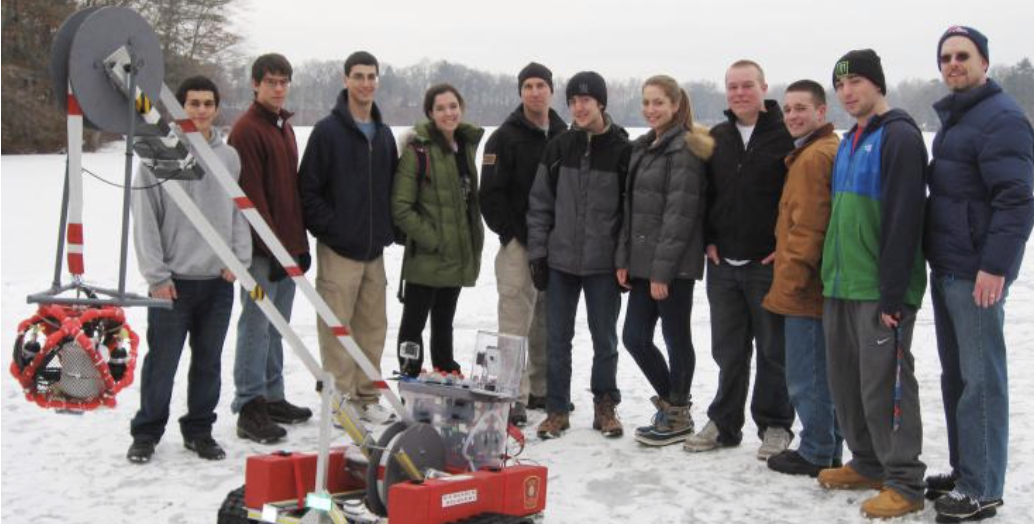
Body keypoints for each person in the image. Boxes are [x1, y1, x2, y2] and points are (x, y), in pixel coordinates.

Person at [924, 26, 1034, 523]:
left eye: (963, 56)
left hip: (976, 274)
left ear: (985, 62)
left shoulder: (1002, 119)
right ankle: (967, 469)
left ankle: (983, 487)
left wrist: (996, 268)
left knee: (982, 381)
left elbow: (1016, 199)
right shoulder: (959, 117)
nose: (953, 64)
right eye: (946, 57)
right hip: (948, 266)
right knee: (958, 379)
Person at [815, 49, 929, 519]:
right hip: (840, 284)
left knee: (886, 386)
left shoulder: (899, 137)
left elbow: (905, 219)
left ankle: (904, 480)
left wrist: (893, 292)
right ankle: (866, 462)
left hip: (880, 290)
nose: (847, 92)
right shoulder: (850, 140)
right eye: (840, 85)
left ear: (878, 84)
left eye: (856, 81)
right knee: (847, 383)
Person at [127, 76, 250, 463]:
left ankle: (199, 431)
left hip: (216, 283)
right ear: (178, 108)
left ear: (216, 108)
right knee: (162, 363)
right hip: (173, 285)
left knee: (208, 363)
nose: (200, 110)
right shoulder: (156, 153)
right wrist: (157, 277)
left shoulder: (228, 157)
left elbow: (238, 212)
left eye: (207, 103)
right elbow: (145, 219)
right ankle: (146, 433)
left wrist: (238, 261)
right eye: (192, 103)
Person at [683, 60, 796, 460]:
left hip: (766, 264)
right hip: (722, 264)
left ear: (764, 87)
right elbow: (705, 195)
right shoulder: (719, 137)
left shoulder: (786, 137)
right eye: (732, 87)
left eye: (747, 85)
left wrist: (786, 246)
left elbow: (795, 201)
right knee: (729, 350)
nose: (739, 93)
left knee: (772, 350)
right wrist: (708, 240)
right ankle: (725, 423)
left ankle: (775, 425)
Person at [527, 71, 632, 440]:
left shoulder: (622, 149)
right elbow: (540, 204)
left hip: (603, 264)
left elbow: (628, 214)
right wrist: (538, 254)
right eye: (572, 101)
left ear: (600, 102)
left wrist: (623, 259)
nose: (579, 107)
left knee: (605, 339)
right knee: (558, 339)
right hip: (561, 263)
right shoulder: (559, 147)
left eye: (586, 100)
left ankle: (605, 406)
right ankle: (557, 409)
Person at [298, 51, 398, 425]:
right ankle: (340, 398)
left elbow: (390, 188)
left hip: (374, 250)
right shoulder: (327, 132)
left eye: (372, 76)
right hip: (339, 249)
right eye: (359, 76)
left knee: (373, 327)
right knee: (337, 325)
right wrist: (335, 228)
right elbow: (308, 190)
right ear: (345, 80)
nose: (366, 83)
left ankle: (368, 395)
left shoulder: (385, 134)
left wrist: (386, 230)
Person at [616, 75, 712, 447]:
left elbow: (679, 215)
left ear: (675, 106)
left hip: (672, 266)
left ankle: (676, 413)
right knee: (635, 337)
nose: (652, 109)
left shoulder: (685, 149)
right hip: (641, 264)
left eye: (659, 103)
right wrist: (624, 258)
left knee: (675, 336)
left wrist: (663, 272)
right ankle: (675, 407)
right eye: (647, 102)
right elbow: (630, 209)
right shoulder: (644, 147)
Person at [229, 53, 312, 444]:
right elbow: (252, 200)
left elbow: (289, 195)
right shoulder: (247, 131)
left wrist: (298, 246)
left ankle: (273, 395)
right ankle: (249, 404)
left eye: (284, 81)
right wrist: (274, 250)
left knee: (277, 327)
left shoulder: (284, 128)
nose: (278, 88)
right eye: (271, 81)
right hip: (261, 253)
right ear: (255, 84)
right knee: (255, 326)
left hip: (287, 248)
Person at [762, 80, 843, 477]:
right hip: (819, 282)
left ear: (821, 112)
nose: (792, 116)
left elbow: (809, 228)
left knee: (806, 374)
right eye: (788, 109)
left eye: (801, 109)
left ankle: (815, 450)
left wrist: (790, 280)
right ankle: (829, 445)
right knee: (824, 373)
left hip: (807, 288)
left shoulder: (813, 158)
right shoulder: (817, 151)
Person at [479, 62, 567, 426]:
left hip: (557, 244)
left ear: (550, 89)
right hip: (519, 243)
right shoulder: (503, 137)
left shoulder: (564, 133)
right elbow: (490, 195)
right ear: (520, 92)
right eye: (528, 86)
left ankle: (541, 388)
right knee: (515, 320)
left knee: (547, 320)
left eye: (540, 85)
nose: (535, 92)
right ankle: (510, 393)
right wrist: (512, 234)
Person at [392, 84, 484, 376]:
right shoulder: (417, 150)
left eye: (453, 106)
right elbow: (401, 207)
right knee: (414, 323)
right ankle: (411, 374)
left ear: (461, 108)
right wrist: (434, 240)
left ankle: (445, 369)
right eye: (441, 108)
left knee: (444, 320)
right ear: (430, 113)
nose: (448, 113)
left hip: (456, 252)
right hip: (427, 255)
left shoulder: (465, 147)